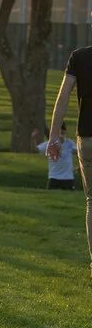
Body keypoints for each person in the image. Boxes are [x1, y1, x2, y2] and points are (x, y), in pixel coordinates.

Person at [47, 46, 92, 270]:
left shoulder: (79, 57)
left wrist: (54, 135)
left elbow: (63, 96)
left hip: (87, 137)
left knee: (91, 202)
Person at [32, 125, 76, 190]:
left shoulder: (70, 143)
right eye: (60, 131)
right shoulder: (49, 144)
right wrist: (33, 138)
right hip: (54, 177)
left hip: (68, 177)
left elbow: (79, 153)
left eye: (63, 131)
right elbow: (35, 150)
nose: (61, 133)